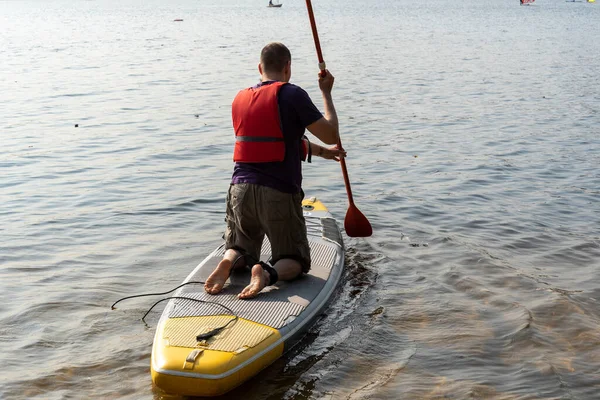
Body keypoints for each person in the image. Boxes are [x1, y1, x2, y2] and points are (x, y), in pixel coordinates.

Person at [204, 42, 345, 299]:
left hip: (240, 191)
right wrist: (326, 92)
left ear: (260, 68)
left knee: (240, 248)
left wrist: (323, 154)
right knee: (295, 260)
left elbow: (275, 141)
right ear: (288, 68)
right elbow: (330, 133)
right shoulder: (292, 94)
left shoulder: (240, 98)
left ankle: (230, 259)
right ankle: (267, 273)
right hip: (278, 192)